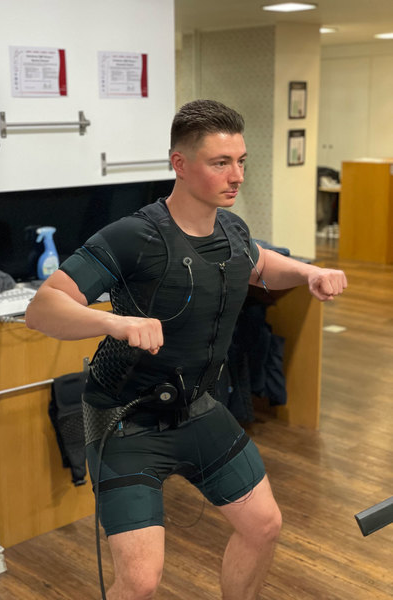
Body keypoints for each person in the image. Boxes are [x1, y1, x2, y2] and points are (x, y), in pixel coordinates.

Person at [26, 99, 347, 600]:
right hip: (125, 420)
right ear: (180, 163)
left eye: (241, 161)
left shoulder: (232, 229)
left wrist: (309, 272)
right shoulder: (135, 235)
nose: (237, 176)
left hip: (197, 409)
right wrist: (115, 322)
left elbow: (260, 264)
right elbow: (42, 308)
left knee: (263, 525)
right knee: (140, 581)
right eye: (221, 163)